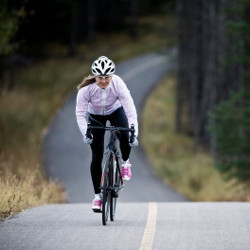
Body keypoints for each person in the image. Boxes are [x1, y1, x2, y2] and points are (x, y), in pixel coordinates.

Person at [75, 56, 138, 211]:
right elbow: (80, 113)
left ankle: (125, 161)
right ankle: (97, 197)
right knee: (96, 155)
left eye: (106, 77)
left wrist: (133, 132)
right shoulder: (86, 89)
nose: (103, 81)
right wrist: (86, 133)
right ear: (95, 76)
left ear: (112, 76)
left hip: (115, 111)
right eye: (100, 77)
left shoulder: (118, 84)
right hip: (95, 116)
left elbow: (130, 110)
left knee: (125, 134)